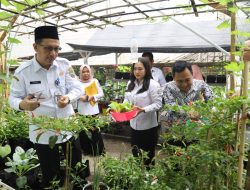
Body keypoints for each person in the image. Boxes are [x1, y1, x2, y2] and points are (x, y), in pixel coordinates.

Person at [8, 26, 84, 189]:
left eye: (57, 49)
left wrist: (68, 98)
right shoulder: (23, 72)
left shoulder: (64, 65)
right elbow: (12, 99)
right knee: (51, 174)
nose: (53, 54)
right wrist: (23, 104)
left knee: (77, 166)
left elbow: (78, 88)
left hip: (67, 125)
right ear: (35, 47)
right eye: (48, 48)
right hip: (42, 131)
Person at [124, 57, 162, 166]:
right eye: (135, 69)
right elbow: (126, 100)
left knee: (148, 157)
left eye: (140, 69)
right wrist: (119, 108)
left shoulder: (153, 85)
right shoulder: (130, 83)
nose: (137, 71)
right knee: (136, 155)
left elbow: (158, 104)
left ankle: (149, 180)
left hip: (148, 128)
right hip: (134, 125)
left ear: (146, 69)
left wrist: (143, 110)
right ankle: (138, 179)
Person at [159, 60, 213, 136]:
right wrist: (191, 111)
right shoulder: (168, 88)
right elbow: (172, 107)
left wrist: (202, 109)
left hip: (196, 131)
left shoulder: (201, 86)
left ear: (192, 75)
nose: (184, 84)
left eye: (187, 80)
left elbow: (211, 103)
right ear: (174, 78)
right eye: (180, 81)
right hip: (175, 132)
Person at [77, 64, 105, 156]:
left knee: (95, 132)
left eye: (87, 71)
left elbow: (101, 94)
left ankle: (98, 151)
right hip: (82, 110)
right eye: (83, 72)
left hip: (93, 110)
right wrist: (80, 97)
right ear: (80, 73)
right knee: (82, 132)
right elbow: (74, 94)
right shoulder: (77, 83)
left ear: (90, 72)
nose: (85, 74)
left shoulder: (94, 81)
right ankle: (87, 150)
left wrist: (92, 96)